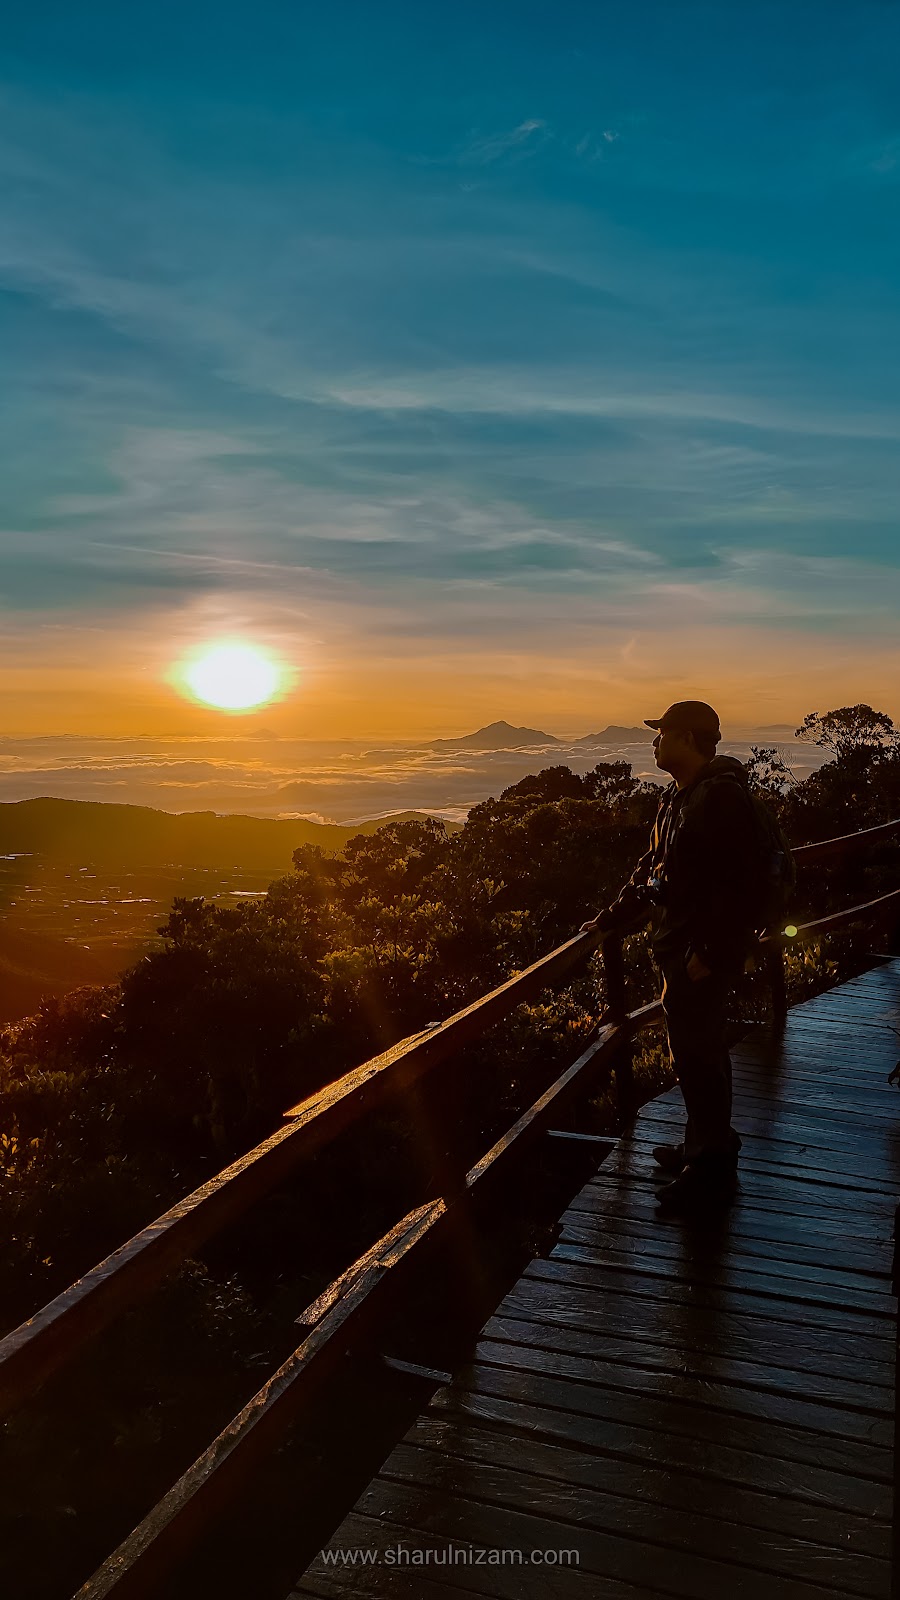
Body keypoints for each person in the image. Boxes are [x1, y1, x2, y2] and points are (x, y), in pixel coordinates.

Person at [580, 700, 760, 1210]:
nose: (654, 742)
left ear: (685, 738)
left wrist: (712, 952)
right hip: (681, 948)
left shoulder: (721, 799)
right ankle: (704, 1144)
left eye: (660, 734)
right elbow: (652, 868)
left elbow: (739, 884)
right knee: (695, 1052)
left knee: (700, 1056)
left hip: (698, 955)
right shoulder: (681, 798)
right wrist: (611, 917)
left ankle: (712, 1172)